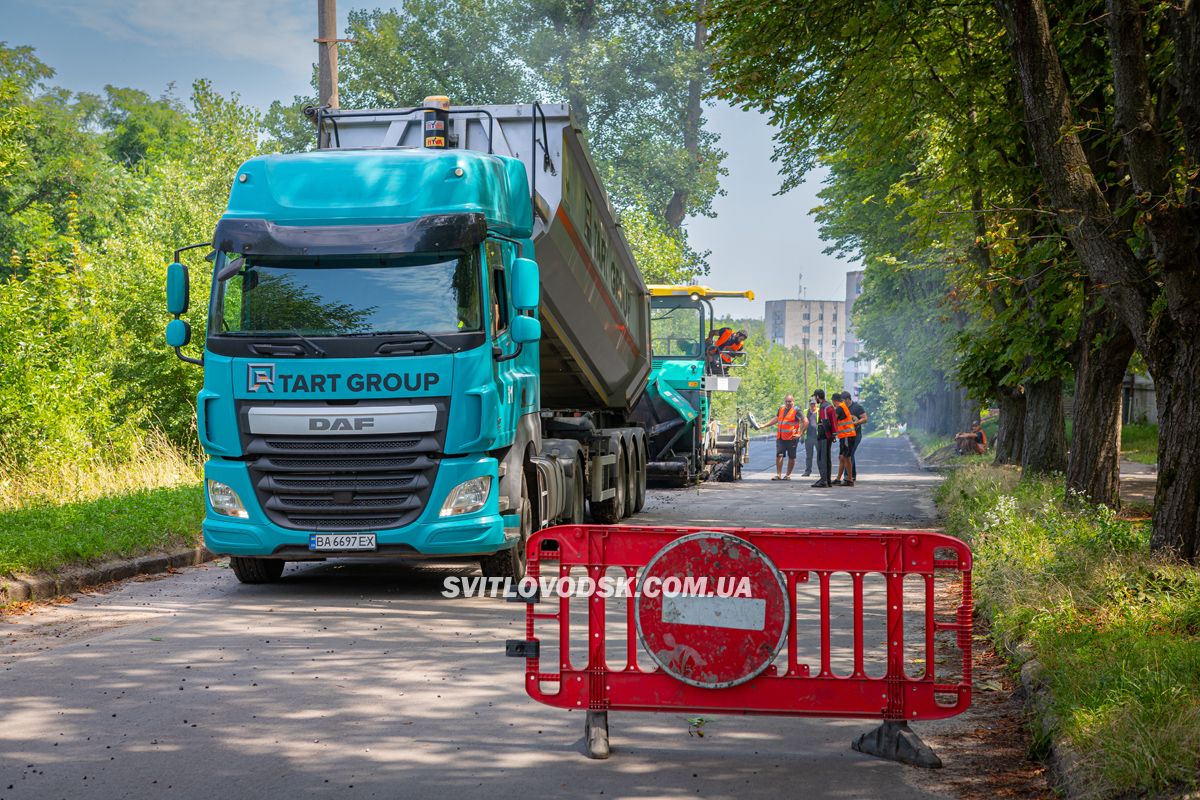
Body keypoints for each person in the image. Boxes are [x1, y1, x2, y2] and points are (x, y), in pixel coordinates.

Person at [762, 394, 803, 480]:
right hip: (780, 437)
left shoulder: (797, 410)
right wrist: (764, 425)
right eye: (787, 401)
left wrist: (800, 433)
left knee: (791, 457)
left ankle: (788, 475)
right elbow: (776, 419)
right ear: (785, 401)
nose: (788, 403)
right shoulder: (781, 408)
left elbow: (805, 421)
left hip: (792, 438)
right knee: (779, 455)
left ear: (793, 402)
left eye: (790, 401)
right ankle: (778, 475)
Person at [832, 392, 858, 486]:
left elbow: (834, 420)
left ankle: (850, 479)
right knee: (842, 457)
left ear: (834, 401)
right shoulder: (842, 406)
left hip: (848, 435)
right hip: (845, 436)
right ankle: (838, 479)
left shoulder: (840, 408)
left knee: (846, 457)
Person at [811, 389, 836, 487]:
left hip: (824, 436)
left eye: (815, 397)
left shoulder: (825, 407)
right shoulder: (827, 405)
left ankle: (824, 480)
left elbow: (826, 422)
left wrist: (829, 435)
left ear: (817, 396)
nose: (814, 399)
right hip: (827, 436)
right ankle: (827, 480)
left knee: (822, 458)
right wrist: (833, 435)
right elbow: (833, 421)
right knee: (826, 458)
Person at [847, 392, 867, 482]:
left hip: (856, 434)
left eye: (843, 400)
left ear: (848, 399)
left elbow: (865, 418)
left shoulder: (857, 407)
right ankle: (852, 475)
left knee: (849, 453)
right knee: (850, 454)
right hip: (847, 434)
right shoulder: (843, 408)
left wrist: (857, 422)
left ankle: (848, 475)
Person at [802, 398, 819, 477]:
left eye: (814, 404)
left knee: (820, 455)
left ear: (816, 404)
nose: (813, 405)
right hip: (808, 436)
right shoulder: (805, 412)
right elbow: (802, 424)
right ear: (809, 404)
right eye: (811, 404)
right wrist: (801, 434)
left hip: (818, 437)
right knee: (809, 455)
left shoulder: (819, 411)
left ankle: (821, 471)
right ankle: (807, 471)